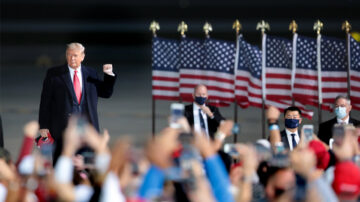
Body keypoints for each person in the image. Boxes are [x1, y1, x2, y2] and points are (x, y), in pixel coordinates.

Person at [38, 42, 116, 163]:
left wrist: (108, 75)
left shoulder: (91, 73)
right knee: (62, 163)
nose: (72, 58)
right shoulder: (54, 74)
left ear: (82, 56)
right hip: (62, 129)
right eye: (69, 55)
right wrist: (43, 125)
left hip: (87, 129)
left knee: (86, 165)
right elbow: (45, 101)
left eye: (75, 55)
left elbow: (106, 93)